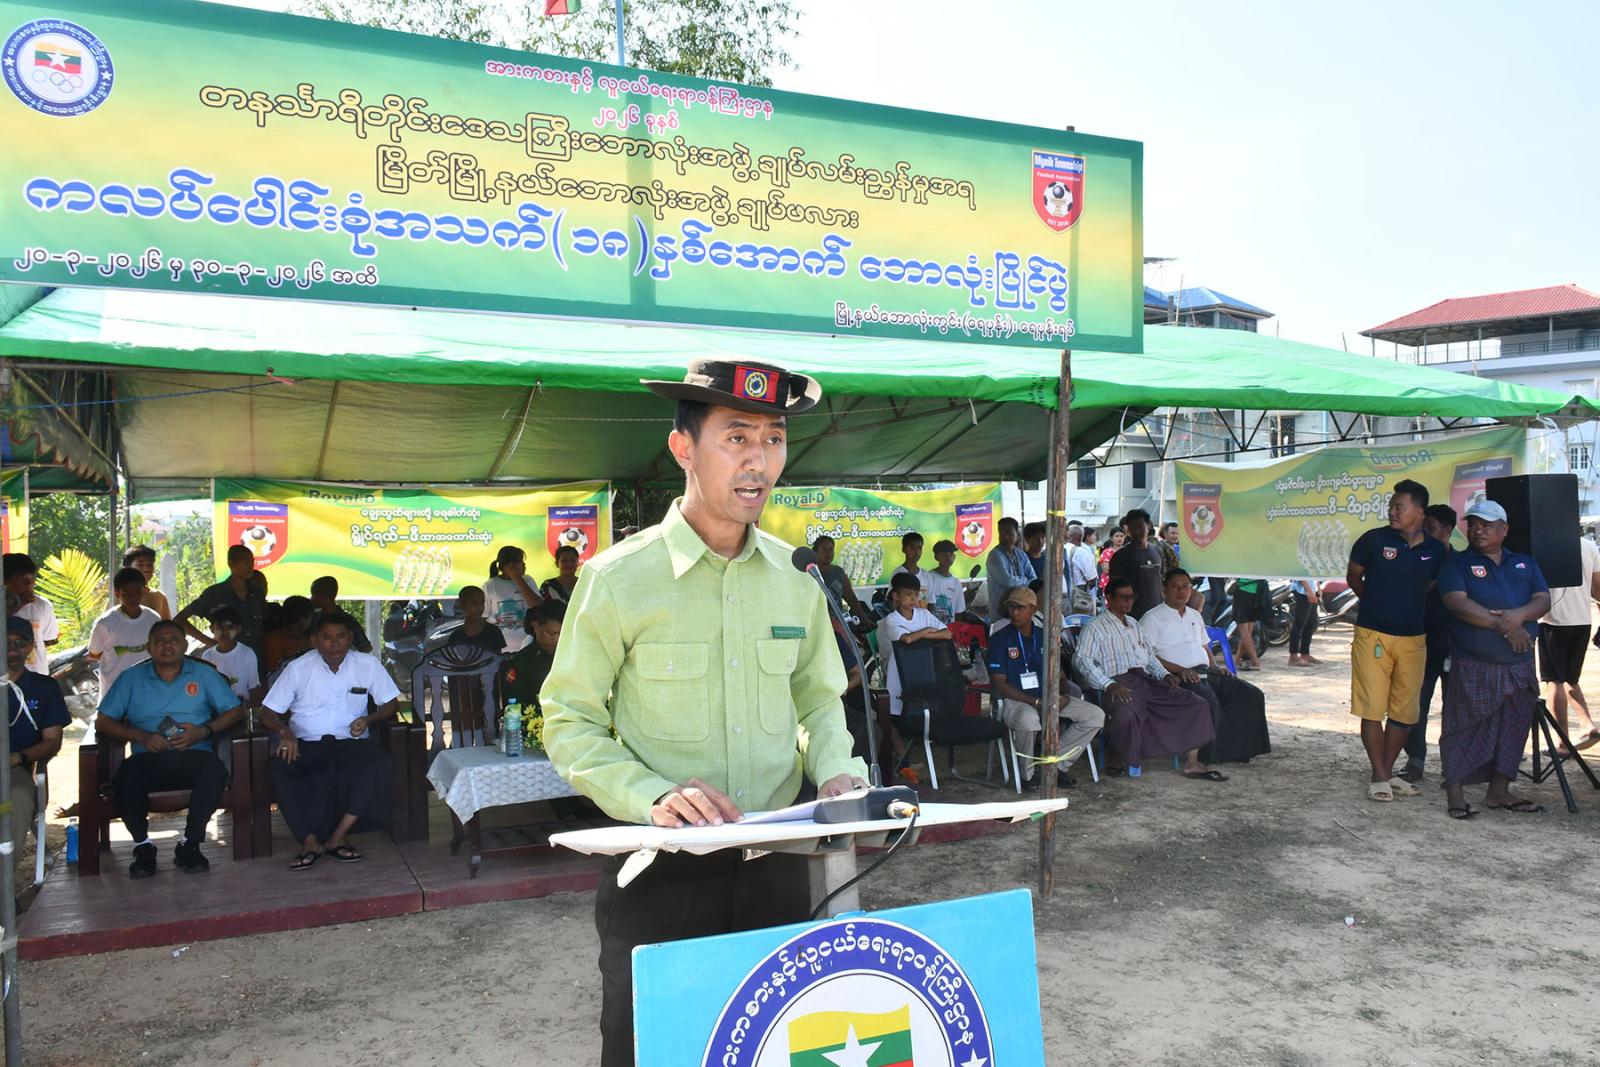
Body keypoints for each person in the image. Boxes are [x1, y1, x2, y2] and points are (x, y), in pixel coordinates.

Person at [541, 358, 868, 1067]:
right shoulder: (617, 579)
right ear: (683, 448)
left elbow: (817, 698)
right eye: (737, 437)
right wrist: (651, 796)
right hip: (661, 875)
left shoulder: (797, 578)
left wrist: (837, 770)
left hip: (779, 868)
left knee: (772, 1049)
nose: (759, 461)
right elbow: (568, 720)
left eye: (774, 439)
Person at [94, 620, 245, 877]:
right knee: (126, 777)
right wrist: (140, 736)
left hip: (194, 753)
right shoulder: (131, 678)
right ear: (149, 647)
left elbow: (234, 711)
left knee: (213, 771)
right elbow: (104, 720)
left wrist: (203, 731)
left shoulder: (203, 674)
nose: (167, 646)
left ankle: (190, 844)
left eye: (173, 640)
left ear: (185, 645)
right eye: (160, 641)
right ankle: (143, 847)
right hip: (147, 757)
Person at [258, 611, 401, 870]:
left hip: (350, 741)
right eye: (327, 637)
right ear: (314, 640)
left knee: (379, 763)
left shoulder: (367, 665)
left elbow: (391, 703)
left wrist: (369, 719)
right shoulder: (298, 668)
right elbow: (267, 712)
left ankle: (338, 837)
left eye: (341, 636)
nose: (334, 644)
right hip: (307, 742)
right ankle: (309, 841)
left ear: (350, 638)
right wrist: (284, 732)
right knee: (278, 768)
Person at [1437, 500, 1550, 818]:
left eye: (1486, 525)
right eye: (1473, 525)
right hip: (1474, 662)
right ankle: (1455, 795)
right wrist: (1505, 625)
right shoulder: (1457, 563)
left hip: (1518, 664)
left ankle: (1499, 791)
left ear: (1504, 529)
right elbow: (1457, 603)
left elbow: (1543, 599)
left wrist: (1518, 616)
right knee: (1461, 727)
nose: (1477, 530)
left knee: (1513, 727)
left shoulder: (1524, 563)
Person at [1345, 479, 1446, 802]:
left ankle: (1386, 772)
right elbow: (1353, 576)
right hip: (1372, 634)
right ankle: (1379, 775)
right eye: (1390, 506)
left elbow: (1429, 586)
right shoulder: (1373, 540)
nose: (1391, 511)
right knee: (1372, 708)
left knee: (1404, 712)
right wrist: (1375, 601)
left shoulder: (1436, 550)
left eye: (1398, 507)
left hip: (1414, 639)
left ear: (1419, 511)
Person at [1074, 577, 1222, 780]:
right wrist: (1108, 685)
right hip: (1118, 682)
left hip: (1145, 679)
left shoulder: (1134, 624)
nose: (1129, 602)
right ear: (1109, 598)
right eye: (1123, 597)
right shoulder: (1096, 626)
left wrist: (1164, 674)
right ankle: (1116, 754)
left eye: (1131, 597)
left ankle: (1191, 761)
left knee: (1195, 704)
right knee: (1125, 715)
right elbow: (1082, 660)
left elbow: (1149, 656)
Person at [1140, 570, 1270, 763]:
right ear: (1164, 589)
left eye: (1185, 586)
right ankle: (1210, 755)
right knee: (1208, 700)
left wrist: (1214, 666)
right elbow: (1147, 656)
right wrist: (1179, 670)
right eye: (1175, 586)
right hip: (1175, 677)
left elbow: (1204, 646)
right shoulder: (1152, 618)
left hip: (1205, 671)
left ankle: (1240, 751)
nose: (1181, 591)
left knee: (1250, 694)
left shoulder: (1194, 615)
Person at [986, 585, 1104, 789]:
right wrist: (1035, 702)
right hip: (1016, 700)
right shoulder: (999, 639)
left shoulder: (1046, 636)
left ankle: (1055, 766)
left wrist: (1062, 695)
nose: (1015, 612)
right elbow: (999, 682)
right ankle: (1027, 774)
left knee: (1095, 715)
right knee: (1029, 720)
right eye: (1011, 607)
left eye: (1021, 607)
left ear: (1033, 609)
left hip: (1047, 697)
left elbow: (1060, 675)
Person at [1399, 503, 1458, 782]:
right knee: (1416, 704)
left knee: (1455, 707)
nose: (1426, 534)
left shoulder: (1461, 563)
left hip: (1455, 647)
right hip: (1420, 644)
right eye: (1423, 529)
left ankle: (1453, 765)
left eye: (1431, 529)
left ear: (1448, 530)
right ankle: (1416, 760)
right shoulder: (1417, 560)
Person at [5, 616, 68, 866]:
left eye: (19, 643)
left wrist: (18, 757)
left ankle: (4, 880)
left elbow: (53, 741)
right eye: (5, 643)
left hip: (15, 769)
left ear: (31, 647)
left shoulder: (44, 687)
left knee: (19, 797)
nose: (12, 650)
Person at [1537, 529, 1600, 752]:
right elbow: (1598, 587)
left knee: (1554, 681)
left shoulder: (1545, 545)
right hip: (1582, 620)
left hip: (1553, 620)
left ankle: (1562, 743)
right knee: (1571, 679)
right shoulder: (1589, 546)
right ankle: (1587, 724)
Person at [879, 572, 951, 719]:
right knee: (900, 711)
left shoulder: (924, 614)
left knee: (926, 708)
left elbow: (947, 634)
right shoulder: (892, 619)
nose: (913, 598)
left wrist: (922, 635)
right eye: (908, 594)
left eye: (916, 594)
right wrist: (927, 630)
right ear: (896, 596)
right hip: (900, 670)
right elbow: (907, 639)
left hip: (923, 667)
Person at [88, 568, 162, 706]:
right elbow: (94, 653)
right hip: (114, 691)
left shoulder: (153, 619)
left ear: (144, 591)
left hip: (147, 691)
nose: (133, 598)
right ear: (117, 593)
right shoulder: (105, 623)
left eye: (137, 593)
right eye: (126, 594)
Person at [177, 544, 267, 654]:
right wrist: (209, 642)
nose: (250, 566)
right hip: (225, 657)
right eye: (246, 563)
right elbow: (179, 620)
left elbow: (265, 623)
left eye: (252, 562)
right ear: (231, 564)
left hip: (256, 655)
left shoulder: (257, 592)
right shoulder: (214, 593)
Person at [503, 602, 564, 712]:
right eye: (550, 633)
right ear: (536, 627)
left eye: (562, 633)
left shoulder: (575, 658)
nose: (556, 639)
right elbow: (514, 705)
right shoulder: (520, 663)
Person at [3, 553, 57, 673]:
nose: (30, 584)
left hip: (35, 676)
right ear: (5, 581)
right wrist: (16, 606)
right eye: (23, 580)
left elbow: (48, 640)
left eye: (32, 578)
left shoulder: (43, 605)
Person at [200, 605, 262, 708]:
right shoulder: (207, 656)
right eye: (219, 627)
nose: (224, 632)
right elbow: (205, 688)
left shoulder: (247, 653)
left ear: (238, 629)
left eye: (230, 627)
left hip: (241, 706)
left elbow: (254, 688)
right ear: (211, 629)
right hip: (216, 708)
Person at [1108, 509, 1166, 620]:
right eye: (1132, 528)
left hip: (1158, 612)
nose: (1136, 531)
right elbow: (1115, 587)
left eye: (1140, 526)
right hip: (1133, 615)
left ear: (1148, 526)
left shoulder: (1157, 551)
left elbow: (1161, 579)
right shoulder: (1120, 556)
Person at [482, 545, 541, 652]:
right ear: (508, 566)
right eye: (520, 562)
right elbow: (483, 617)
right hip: (499, 646)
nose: (524, 565)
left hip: (527, 644)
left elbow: (537, 605)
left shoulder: (528, 580)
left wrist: (517, 578)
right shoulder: (490, 585)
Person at [986, 517, 1034, 623]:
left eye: (1009, 532)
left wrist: (1025, 580)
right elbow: (1007, 581)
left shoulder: (1021, 554)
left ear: (1017, 534)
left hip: (1021, 612)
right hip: (1000, 614)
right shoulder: (995, 555)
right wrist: (1025, 580)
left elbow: (1033, 578)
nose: (1005, 536)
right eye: (1001, 532)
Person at [810, 536, 868, 621]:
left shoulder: (838, 572)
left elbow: (851, 598)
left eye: (831, 549)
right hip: (816, 621)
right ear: (815, 552)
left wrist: (863, 619)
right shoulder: (810, 573)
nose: (828, 553)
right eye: (824, 549)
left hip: (837, 622)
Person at [309, 576, 372, 653]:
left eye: (313, 594)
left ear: (322, 595)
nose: (311, 598)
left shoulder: (348, 620)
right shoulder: (313, 618)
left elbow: (366, 647)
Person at [442, 585, 508, 655]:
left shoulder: (493, 631)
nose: (479, 607)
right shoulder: (456, 636)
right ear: (462, 606)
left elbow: (497, 658)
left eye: (482, 603)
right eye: (474, 603)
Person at [262, 595, 316, 674]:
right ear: (302, 619)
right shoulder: (273, 640)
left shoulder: (312, 639)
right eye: (311, 617)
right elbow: (275, 672)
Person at [920, 540, 968, 624]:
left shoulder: (956, 583)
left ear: (954, 557)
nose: (948, 558)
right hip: (930, 627)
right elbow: (922, 605)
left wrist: (956, 629)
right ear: (936, 556)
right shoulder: (927, 578)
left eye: (951, 554)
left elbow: (958, 612)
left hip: (949, 629)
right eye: (944, 554)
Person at [117, 545, 172, 619]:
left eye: (150, 565)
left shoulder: (159, 597)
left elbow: (167, 624)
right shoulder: (119, 595)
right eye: (140, 565)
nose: (146, 569)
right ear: (128, 568)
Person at [1232, 578, 1267, 671]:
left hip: (1243, 591)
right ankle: (1236, 661)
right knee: (1248, 631)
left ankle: (1255, 662)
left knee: (1244, 631)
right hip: (1256, 593)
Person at [1065, 523, 1099, 609]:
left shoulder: (1061, 549)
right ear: (1081, 537)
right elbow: (1092, 577)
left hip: (1063, 594)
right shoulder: (1081, 552)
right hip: (1080, 594)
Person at [1287, 578, 1320, 666]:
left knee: (1311, 623)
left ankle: (1305, 654)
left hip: (1312, 590)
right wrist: (1309, 591)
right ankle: (1293, 656)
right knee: (1299, 623)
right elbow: (1301, 575)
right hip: (1302, 591)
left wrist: (1318, 588)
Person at [1096, 528, 1126, 593]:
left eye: (1121, 536)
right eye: (1117, 536)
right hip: (1110, 584)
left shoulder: (1128, 551)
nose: (1119, 538)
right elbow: (1106, 570)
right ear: (1111, 538)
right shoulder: (1107, 552)